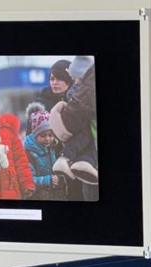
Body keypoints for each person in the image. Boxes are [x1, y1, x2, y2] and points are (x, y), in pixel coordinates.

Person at [50, 57, 98, 201]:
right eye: (52, 78)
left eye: (60, 78)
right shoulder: (53, 99)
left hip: (82, 155)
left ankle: (67, 158)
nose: (54, 82)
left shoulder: (78, 94)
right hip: (77, 159)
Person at [24, 109, 66, 200]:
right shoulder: (29, 152)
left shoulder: (54, 147)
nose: (47, 139)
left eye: (50, 135)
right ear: (35, 135)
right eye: (43, 135)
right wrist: (48, 180)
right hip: (38, 196)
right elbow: (28, 179)